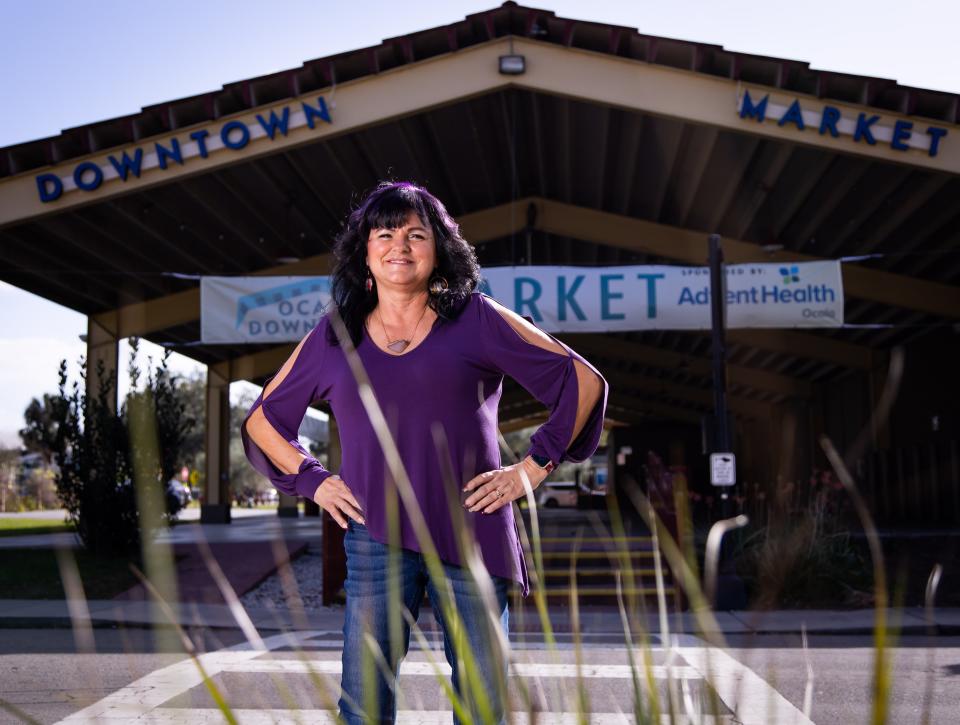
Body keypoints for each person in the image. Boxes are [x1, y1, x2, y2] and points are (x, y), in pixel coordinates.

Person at [241, 181, 608, 725]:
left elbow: (581, 380)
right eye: (385, 233)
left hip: (474, 530)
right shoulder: (335, 336)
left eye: (417, 234)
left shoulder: (477, 319)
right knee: (364, 707)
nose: (400, 245)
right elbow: (262, 420)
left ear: (439, 250)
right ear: (365, 252)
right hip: (374, 537)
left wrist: (531, 470)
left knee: (482, 710)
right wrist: (314, 480)